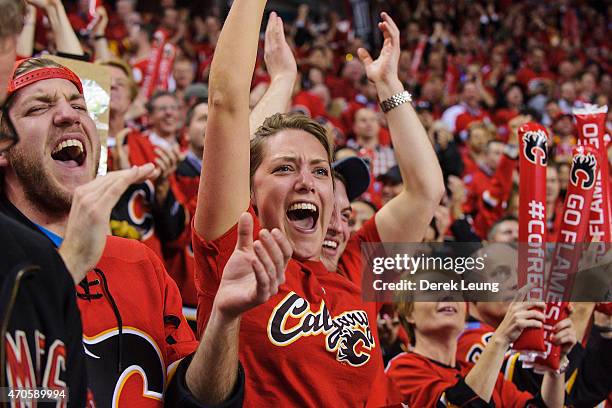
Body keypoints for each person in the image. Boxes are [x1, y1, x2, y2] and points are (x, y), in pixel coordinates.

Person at [193, 1, 443, 404]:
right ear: (250, 194)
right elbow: (227, 103)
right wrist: (283, 81)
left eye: (321, 171)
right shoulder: (237, 253)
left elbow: (426, 192)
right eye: (285, 169)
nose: (308, 182)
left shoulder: (353, 270)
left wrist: (389, 86)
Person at [0, 56, 255, 406]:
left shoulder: (141, 262)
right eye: (37, 108)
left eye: (79, 105)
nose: (69, 114)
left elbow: (193, 396)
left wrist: (225, 321)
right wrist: (70, 263)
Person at [387, 280, 576, 407]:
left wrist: (555, 363)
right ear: (408, 313)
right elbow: (459, 404)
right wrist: (501, 338)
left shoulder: (482, 375)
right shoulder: (402, 369)